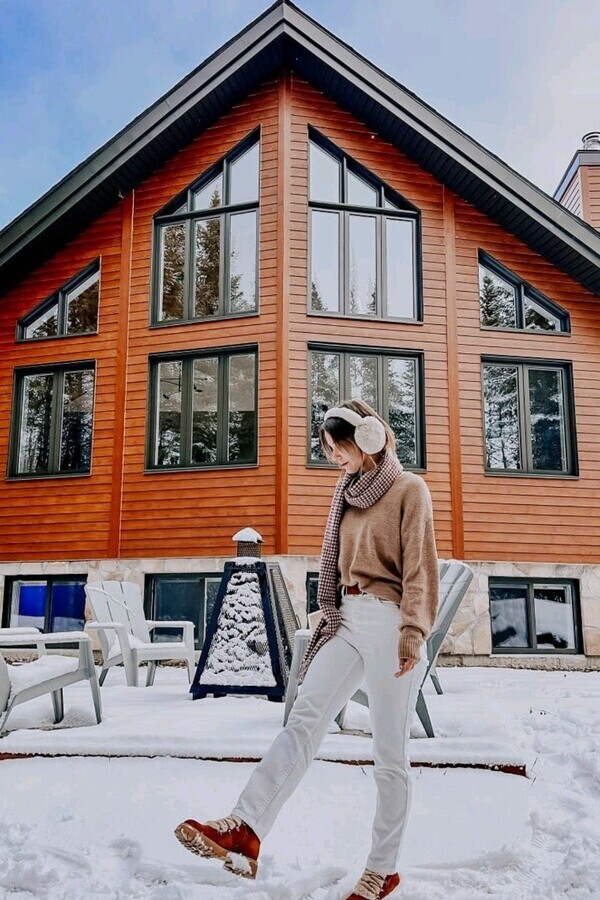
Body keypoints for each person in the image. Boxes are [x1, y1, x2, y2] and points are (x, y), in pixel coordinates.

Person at [174, 399, 439, 900]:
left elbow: (422, 567)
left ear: (368, 440)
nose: (334, 457)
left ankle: (382, 870)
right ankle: (245, 829)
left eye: (339, 447)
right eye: (330, 449)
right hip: (347, 620)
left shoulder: (409, 489)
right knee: (303, 720)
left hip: (390, 624)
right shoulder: (347, 493)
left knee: (389, 753)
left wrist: (413, 630)